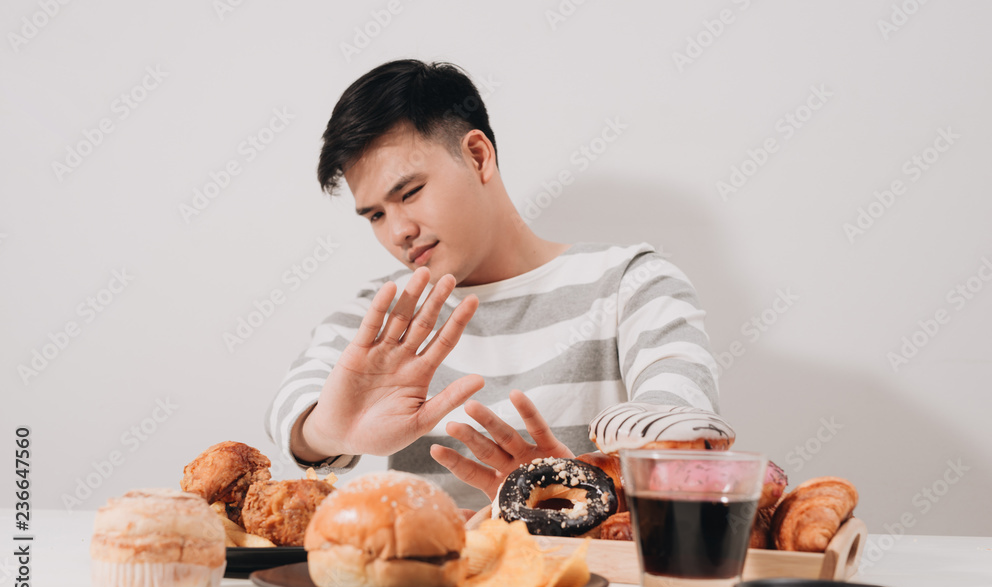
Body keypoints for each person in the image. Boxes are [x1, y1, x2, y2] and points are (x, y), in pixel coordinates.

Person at [265, 59, 724, 510]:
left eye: (409, 193)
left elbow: (683, 432)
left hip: (599, 577)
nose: (397, 231)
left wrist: (577, 488)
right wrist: (331, 429)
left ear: (478, 156)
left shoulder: (632, 282)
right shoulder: (384, 313)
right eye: (376, 215)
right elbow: (292, 408)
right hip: (433, 580)